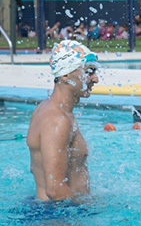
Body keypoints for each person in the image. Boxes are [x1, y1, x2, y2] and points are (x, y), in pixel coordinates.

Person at [27, 40, 99, 201]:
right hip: (60, 219)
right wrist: (92, 208)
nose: (95, 79)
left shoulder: (47, 108)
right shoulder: (58, 120)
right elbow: (55, 190)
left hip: (55, 214)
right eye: (89, 72)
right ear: (65, 74)